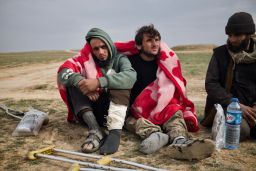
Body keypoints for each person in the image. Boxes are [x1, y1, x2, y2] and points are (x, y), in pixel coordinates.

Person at [115, 24, 215, 160]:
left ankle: (180, 142)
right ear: (139, 46)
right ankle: (155, 135)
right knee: (132, 122)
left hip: (161, 107)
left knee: (174, 112)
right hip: (137, 110)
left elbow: (176, 87)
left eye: (157, 40)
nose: (154, 44)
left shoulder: (165, 64)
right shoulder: (129, 63)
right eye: (149, 41)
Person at [57, 28, 136, 155]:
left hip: (114, 114)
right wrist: (84, 85)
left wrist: (98, 82)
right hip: (90, 114)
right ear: (91, 50)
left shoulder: (119, 59)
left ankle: (114, 133)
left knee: (120, 82)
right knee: (74, 82)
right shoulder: (85, 60)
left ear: (109, 45)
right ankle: (95, 131)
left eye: (103, 47)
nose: (101, 52)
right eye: (96, 49)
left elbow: (131, 76)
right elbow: (63, 72)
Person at [201, 12, 256, 140]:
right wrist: (236, 105)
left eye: (237, 35)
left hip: (252, 108)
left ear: (248, 35)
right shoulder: (220, 54)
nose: (232, 39)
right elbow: (211, 84)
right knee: (239, 131)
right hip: (226, 106)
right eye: (230, 35)